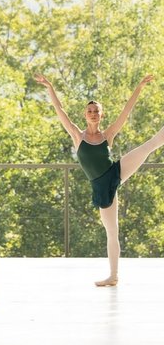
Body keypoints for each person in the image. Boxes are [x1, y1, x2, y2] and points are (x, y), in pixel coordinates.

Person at [36, 73, 162, 286]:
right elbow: (60, 110)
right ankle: (113, 276)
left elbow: (126, 111)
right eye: (90, 111)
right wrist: (49, 86)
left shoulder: (107, 135)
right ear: (85, 115)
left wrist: (139, 86)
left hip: (116, 171)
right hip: (101, 187)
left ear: (101, 115)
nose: (93, 114)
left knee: (149, 145)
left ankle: (113, 275)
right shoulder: (78, 136)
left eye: (96, 111)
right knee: (112, 231)